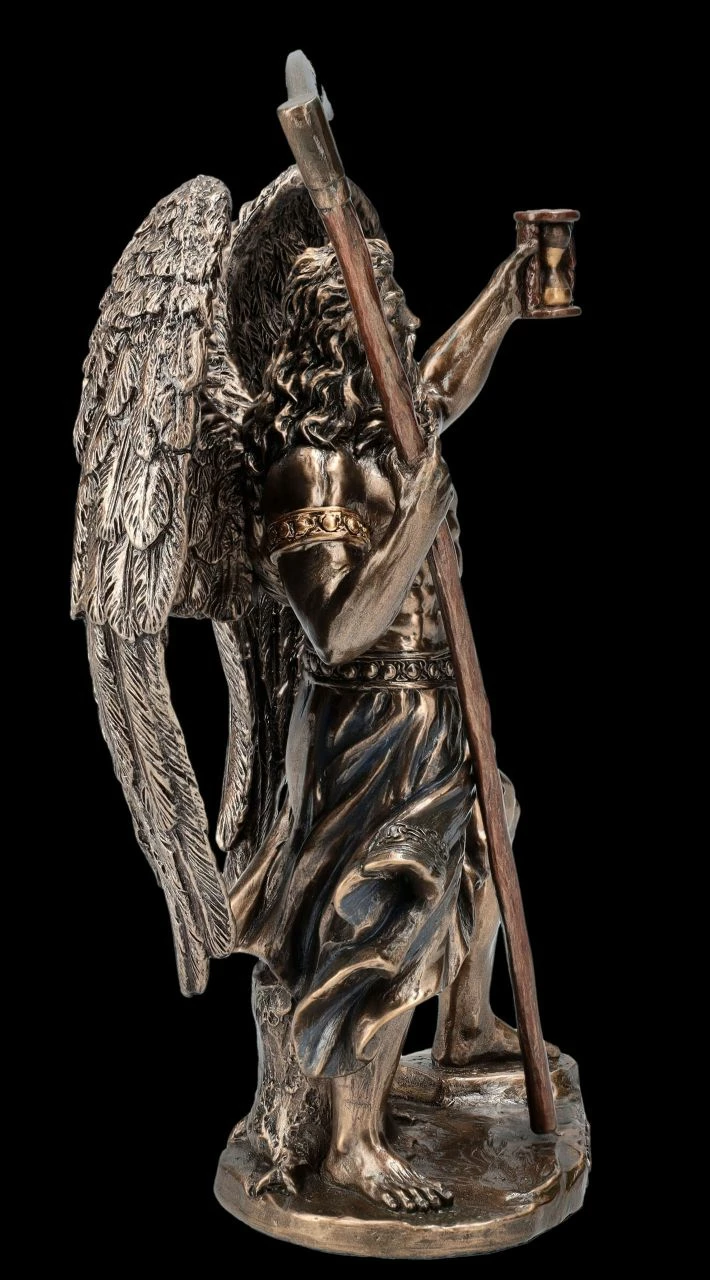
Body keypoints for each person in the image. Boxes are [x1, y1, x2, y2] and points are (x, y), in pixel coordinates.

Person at [229, 235, 536, 1212]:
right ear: (337, 336)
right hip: (366, 723)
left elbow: (438, 383)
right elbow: (337, 625)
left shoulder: (385, 430)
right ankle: (350, 1146)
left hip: (434, 699)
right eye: (383, 312)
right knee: (386, 913)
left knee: (490, 829)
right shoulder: (305, 470)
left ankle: (465, 1028)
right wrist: (413, 528)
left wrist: (503, 297)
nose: (403, 325)